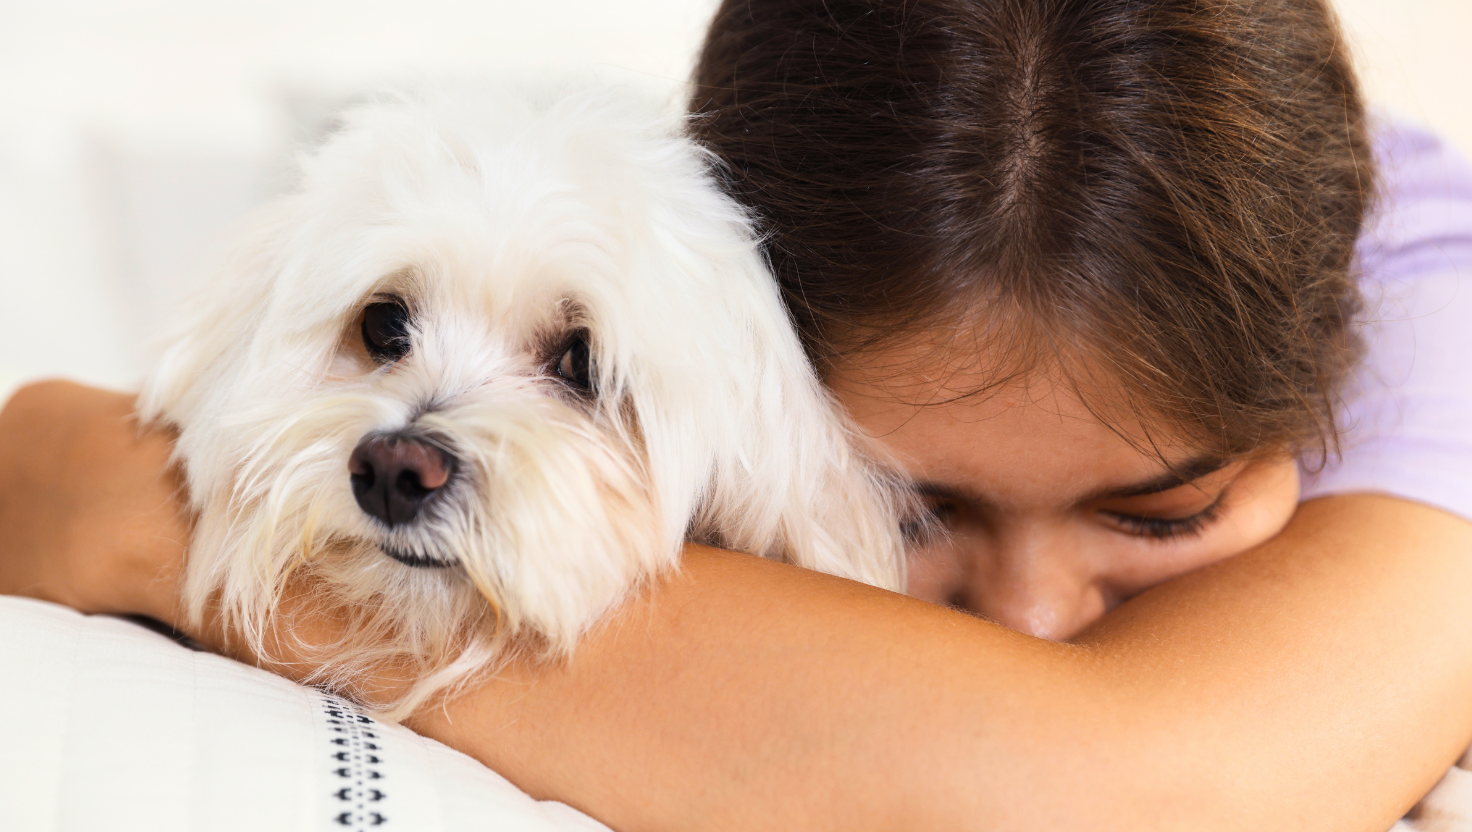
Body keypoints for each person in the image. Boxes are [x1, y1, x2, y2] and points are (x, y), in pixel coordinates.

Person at [4, 0, 1472, 829]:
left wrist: (174, 533)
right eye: (913, 507)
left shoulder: (1430, 318)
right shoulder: (695, 284)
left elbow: (1107, 797)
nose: (1026, 623)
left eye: (1164, 511)